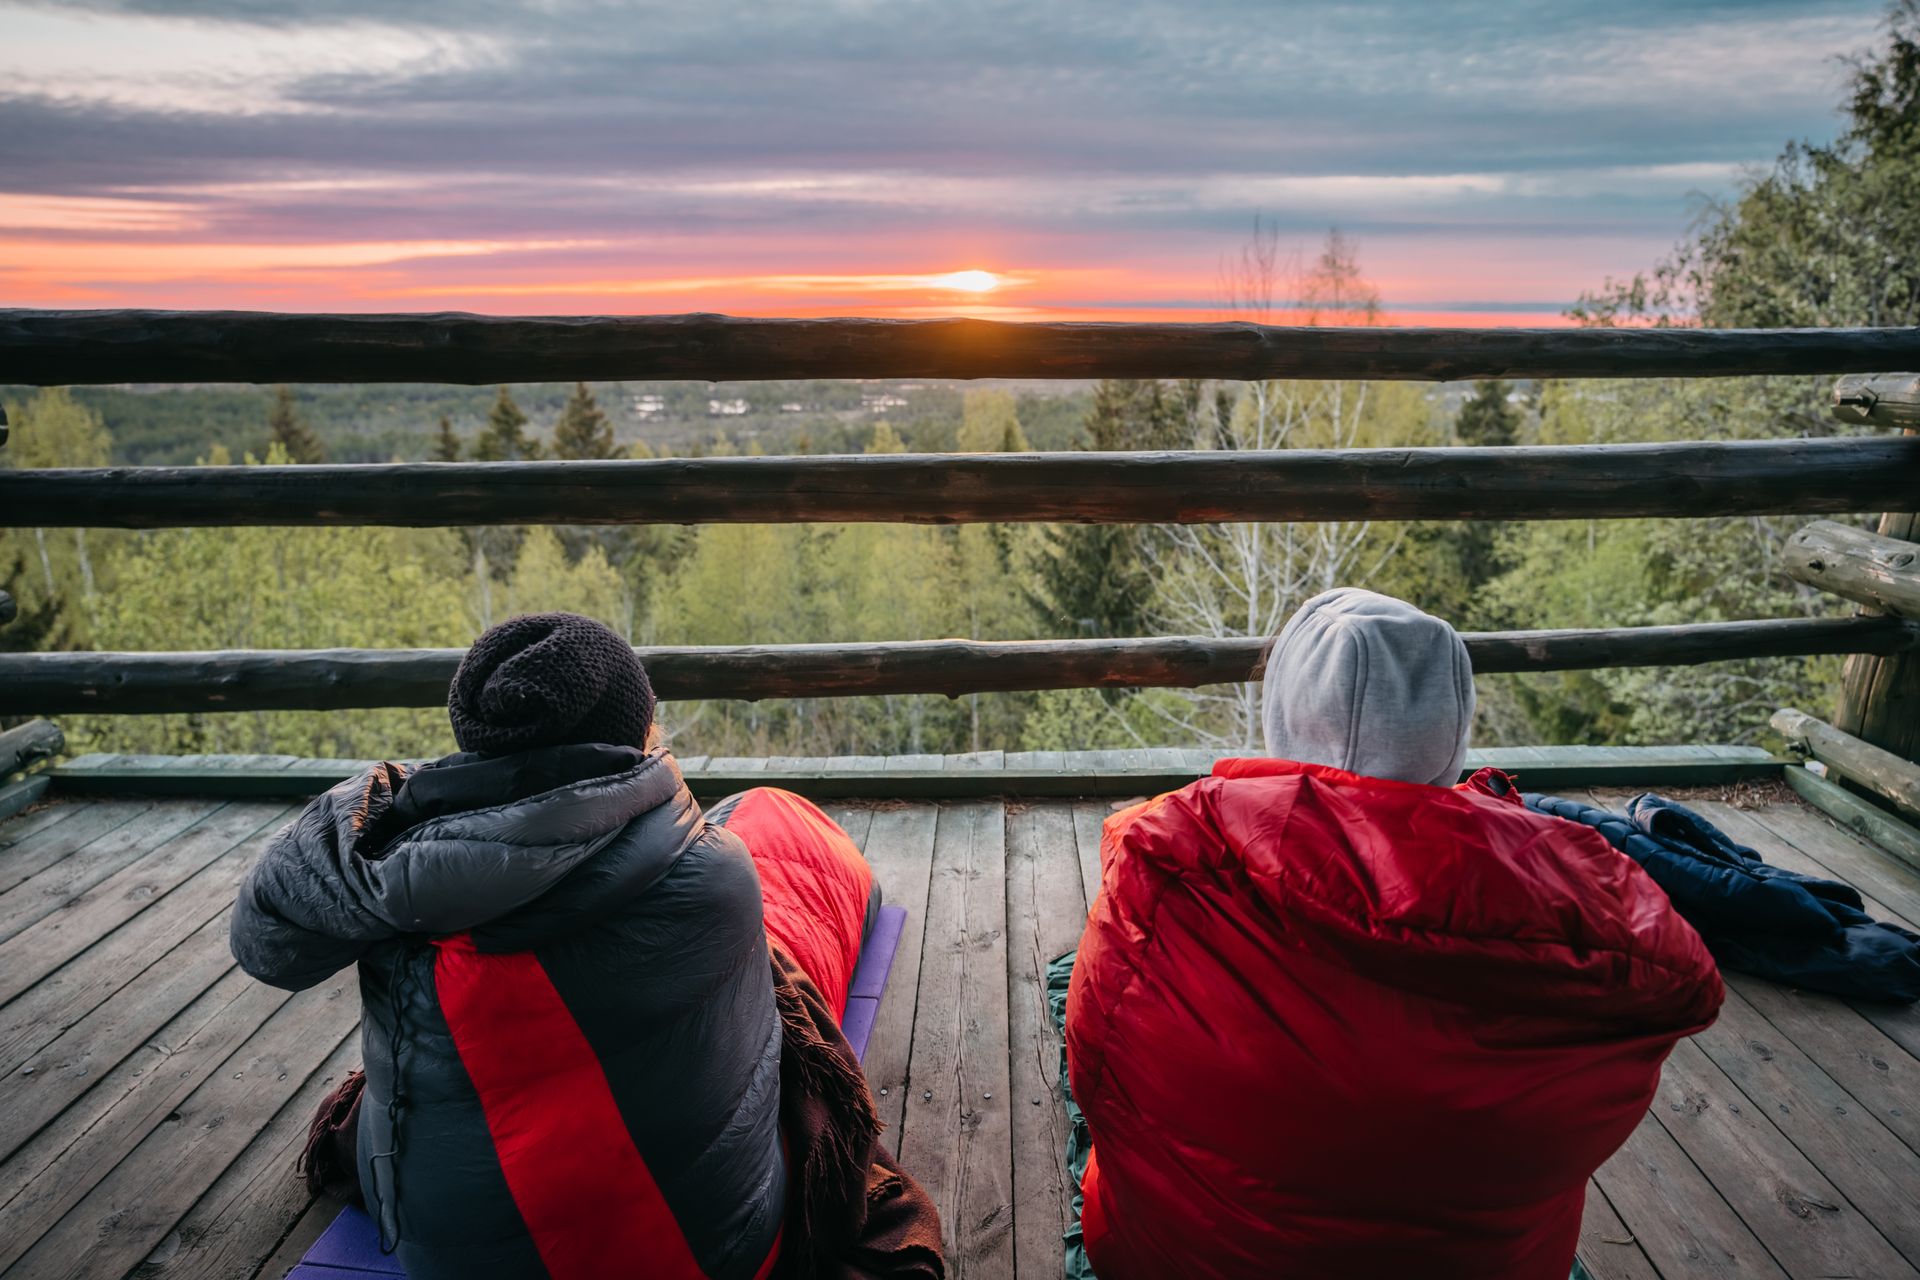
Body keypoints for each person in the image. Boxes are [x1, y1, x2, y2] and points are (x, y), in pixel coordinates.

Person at [230, 613, 941, 1280]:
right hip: (717, 1255)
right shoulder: (721, 873)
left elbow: (269, 945)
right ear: (633, 728)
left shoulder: (404, 896)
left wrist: (397, 792)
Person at [1065, 589, 1724, 1280]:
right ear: (1452, 725)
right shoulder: (1604, 927)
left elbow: (1096, 1075)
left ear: (1282, 715)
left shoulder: (1164, 867)